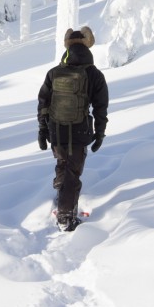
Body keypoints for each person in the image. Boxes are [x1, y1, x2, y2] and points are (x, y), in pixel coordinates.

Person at [37, 26, 109, 231]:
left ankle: (62, 197)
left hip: (56, 129)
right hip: (80, 130)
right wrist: (100, 133)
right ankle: (66, 217)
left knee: (63, 163)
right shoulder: (94, 74)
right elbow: (101, 107)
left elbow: (43, 103)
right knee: (73, 173)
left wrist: (42, 131)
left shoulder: (54, 73)